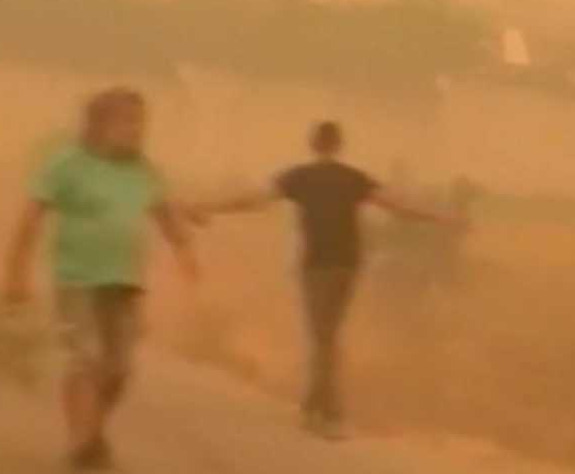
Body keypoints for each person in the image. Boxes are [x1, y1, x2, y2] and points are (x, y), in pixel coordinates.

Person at [194, 121, 459, 439]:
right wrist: (441, 217)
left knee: (322, 337)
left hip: (316, 266)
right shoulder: (353, 178)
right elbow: (399, 206)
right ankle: (315, 407)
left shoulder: (300, 176)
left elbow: (254, 200)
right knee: (327, 336)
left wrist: (208, 206)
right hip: (347, 266)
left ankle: (327, 414)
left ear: (313, 144)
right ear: (339, 145)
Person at [2, 87, 198, 474]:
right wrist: (16, 272)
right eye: (126, 122)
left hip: (125, 283)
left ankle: (94, 432)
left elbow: (164, 213)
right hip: (77, 279)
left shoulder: (143, 170)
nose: (136, 130)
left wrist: (184, 253)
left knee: (120, 370)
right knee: (85, 360)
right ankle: (79, 451)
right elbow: (32, 216)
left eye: (140, 123)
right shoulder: (66, 165)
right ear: (98, 124)